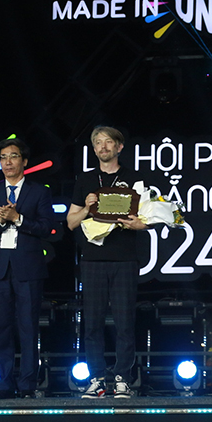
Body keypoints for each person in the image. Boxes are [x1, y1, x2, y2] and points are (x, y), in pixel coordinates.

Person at [67, 126, 147, 398]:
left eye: (108, 142)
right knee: (92, 324)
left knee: (125, 322)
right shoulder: (85, 180)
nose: (103, 147)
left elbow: (147, 217)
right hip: (92, 259)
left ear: (119, 147)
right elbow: (70, 222)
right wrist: (87, 209)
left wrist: (140, 224)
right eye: (98, 143)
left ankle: (123, 377)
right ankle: (97, 378)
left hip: (124, 258)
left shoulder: (134, 178)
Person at [0, 138, 53, 399]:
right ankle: (5, 383)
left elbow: (47, 228)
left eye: (13, 156)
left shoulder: (39, 192)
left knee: (28, 326)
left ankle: (28, 383)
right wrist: (0, 220)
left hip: (28, 268)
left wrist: (18, 219)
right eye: (2, 157)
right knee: (3, 327)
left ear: (24, 161)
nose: (7, 162)